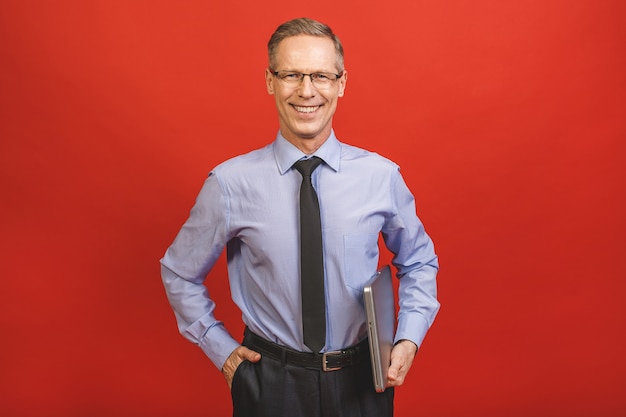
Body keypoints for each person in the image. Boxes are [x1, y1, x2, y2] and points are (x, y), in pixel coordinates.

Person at [161, 17, 439, 417]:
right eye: (291, 74)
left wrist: (409, 337)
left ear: (341, 84)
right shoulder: (229, 183)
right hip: (270, 383)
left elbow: (419, 262)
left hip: (363, 382)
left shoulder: (381, 177)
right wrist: (219, 350)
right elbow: (178, 271)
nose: (306, 91)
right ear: (270, 81)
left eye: (322, 75)